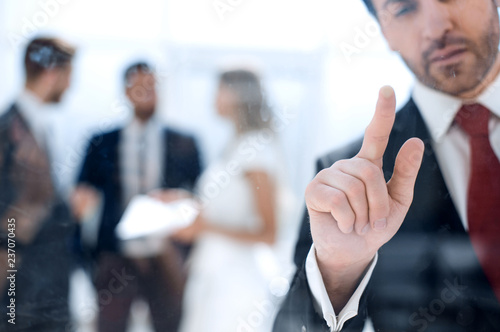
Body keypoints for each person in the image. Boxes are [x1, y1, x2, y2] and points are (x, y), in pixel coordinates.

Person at [274, 0, 500, 331]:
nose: (437, 27)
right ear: (383, 30)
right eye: (405, 9)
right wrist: (338, 274)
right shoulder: (348, 185)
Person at [72, 62, 202, 332]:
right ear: (126, 92)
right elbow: (80, 195)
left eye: (152, 86)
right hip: (116, 255)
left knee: (170, 325)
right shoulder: (101, 142)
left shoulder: (184, 142)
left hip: (166, 256)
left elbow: (200, 198)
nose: (146, 92)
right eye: (139, 86)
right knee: (109, 325)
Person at [176, 69, 290, 332]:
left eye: (219, 90)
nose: (213, 99)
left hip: (236, 284)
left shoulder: (257, 151)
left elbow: (269, 232)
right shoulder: (235, 145)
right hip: (213, 274)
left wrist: (204, 227)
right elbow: (225, 209)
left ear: (238, 95)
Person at [0, 37, 76, 331]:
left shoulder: (37, 125)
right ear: (52, 75)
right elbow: (8, 220)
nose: (70, 86)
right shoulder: (8, 132)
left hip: (45, 291)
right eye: (69, 77)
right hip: (23, 297)